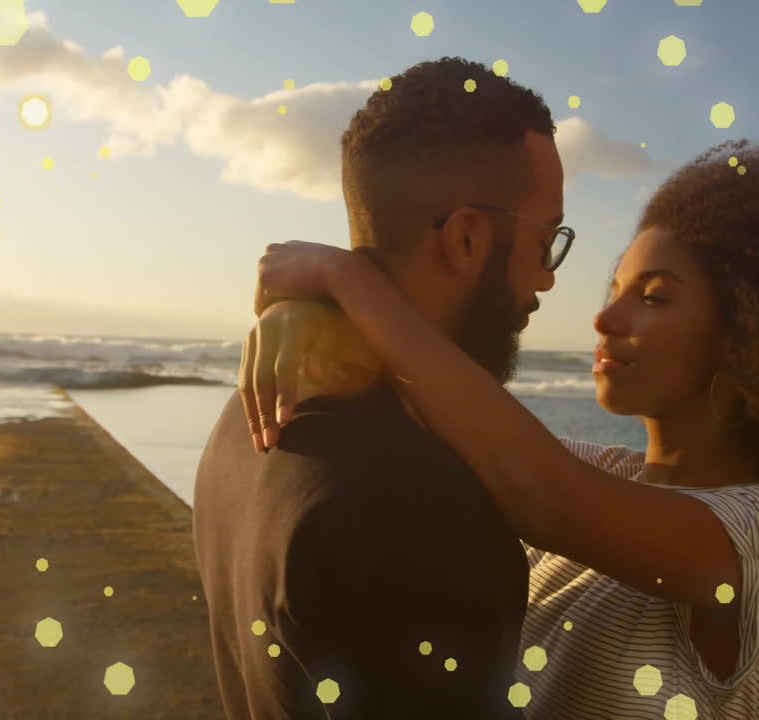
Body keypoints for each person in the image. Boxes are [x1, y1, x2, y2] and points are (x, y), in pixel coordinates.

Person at [239, 139, 759, 718]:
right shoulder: (605, 472)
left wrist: (347, 281)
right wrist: (310, 318)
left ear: (750, 338)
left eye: (654, 297)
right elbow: (445, 413)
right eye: (613, 290)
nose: (605, 321)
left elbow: (542, 494)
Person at [193, 56, 565, 718]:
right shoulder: (429, 514)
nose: (547, 280)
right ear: (468, 240)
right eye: (546, 243)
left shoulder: (244, 420)